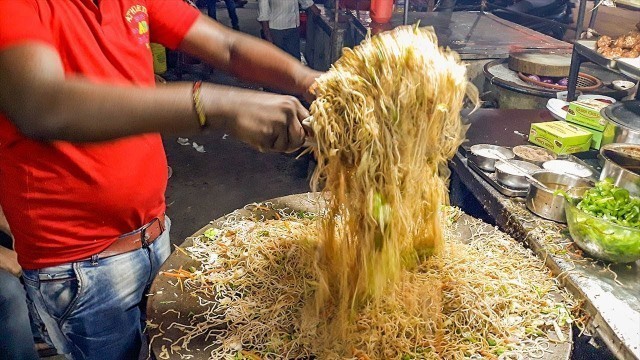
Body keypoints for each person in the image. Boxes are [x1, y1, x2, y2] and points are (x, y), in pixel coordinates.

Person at [0, 0, 320, 359]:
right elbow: (44, 105)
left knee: (163, 347)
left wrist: (308, 80)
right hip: (79, 265)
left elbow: (228, 48)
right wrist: (215, 105)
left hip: (152, 231)